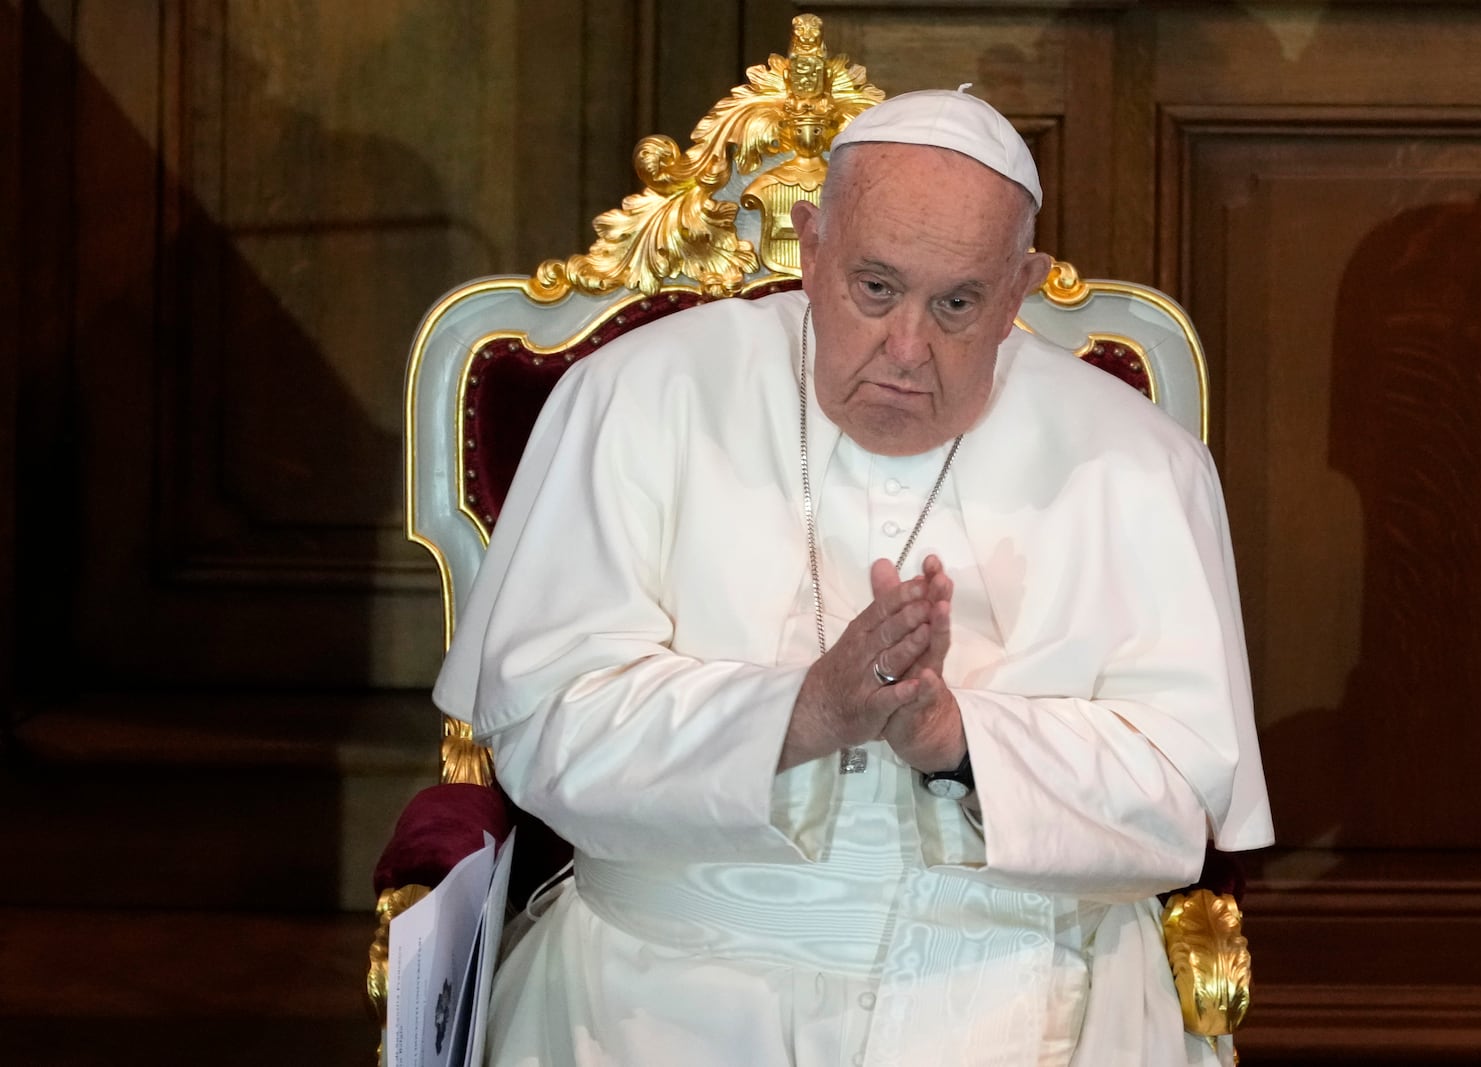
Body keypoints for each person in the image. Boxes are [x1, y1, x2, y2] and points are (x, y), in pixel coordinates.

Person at [434, 87, 1272, 1067]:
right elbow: (545, 729)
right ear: (811, 243)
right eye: (874, 288)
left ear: (1020, 288)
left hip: (1033, 985)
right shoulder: (638, 396)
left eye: (957, 303)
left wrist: (958, 741)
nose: (907, 348)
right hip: (671, 984)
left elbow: (1183, 797)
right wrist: (804, 711)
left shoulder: (1136, 461)